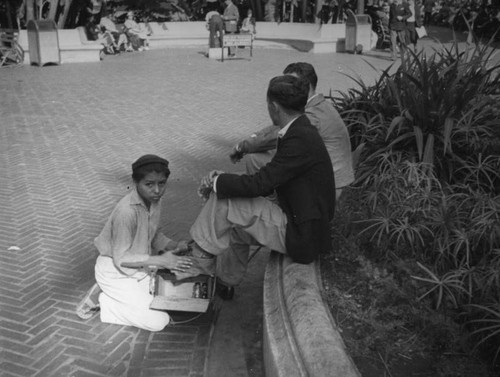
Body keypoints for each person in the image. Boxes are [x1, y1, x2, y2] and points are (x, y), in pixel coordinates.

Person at [177, 75, 336, 299]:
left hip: (302, 235)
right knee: (236, 225)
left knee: (224, 203)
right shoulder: (300, 129)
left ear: (273, 106)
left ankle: (198, 264)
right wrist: (222, 180)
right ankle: (224, 282)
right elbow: (268, 178)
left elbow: (259, 184)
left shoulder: (299, 138)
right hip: (303, 224)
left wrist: (217, 183)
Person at [76, 155, 194, 331]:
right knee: (158, 321)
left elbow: (153, 235)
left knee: (169, 296)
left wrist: (174, 246)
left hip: (138, 269)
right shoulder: (127, 212)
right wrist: (161, 261)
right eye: (149, 184)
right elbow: (121, 259)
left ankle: (114, 293)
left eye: (162, 183)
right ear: (135, 182)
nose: (157, 190)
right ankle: (104, 300)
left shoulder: (155, 201)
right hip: (115, 270)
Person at [229, 62, 354, 200]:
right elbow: (277, 128)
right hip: (327, 175)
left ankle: (264, 206)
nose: (285, 87)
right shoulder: (318, 106)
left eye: (290, 82)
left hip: (327, 186)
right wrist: (251, 140)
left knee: (255, 160)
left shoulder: (313, 115)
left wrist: (243, 146)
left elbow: (274, 136)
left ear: (306, 85)